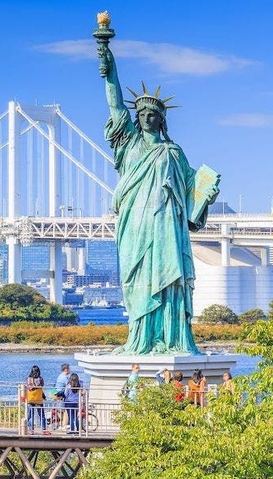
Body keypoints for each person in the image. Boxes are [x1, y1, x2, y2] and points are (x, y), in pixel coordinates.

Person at [99, 37, 219, 355]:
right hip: (136, 223)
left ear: (161, 120)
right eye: (142, 113)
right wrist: (107, 60)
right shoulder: (128, 143)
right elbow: (113, 101)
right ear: (135, 118)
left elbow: (192, 193)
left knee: (169, 278)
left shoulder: (174, 153)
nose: (147, 118)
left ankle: (173, 337)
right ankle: (139, 338)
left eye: (154, 115)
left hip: (167, 225)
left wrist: (207, 193)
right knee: (138, 277)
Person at [25, 365, 49, 435]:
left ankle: (31, 430)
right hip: (38, 399)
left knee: (30, 415)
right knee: (42, 415)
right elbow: (42, 386)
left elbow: (26, 387)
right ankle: (44, 429)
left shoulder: (28, 379)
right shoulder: (40, 379)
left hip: (30, 399)